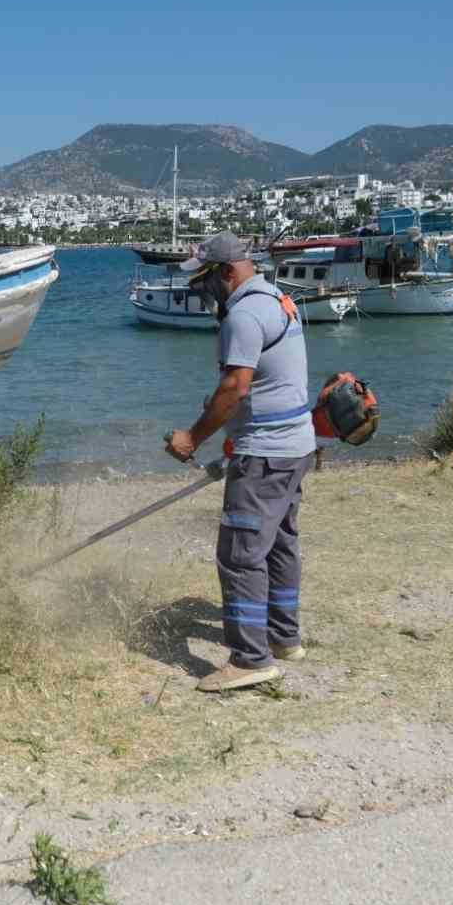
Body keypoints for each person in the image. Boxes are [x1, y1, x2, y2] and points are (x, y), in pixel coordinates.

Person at [164, 232, 316, 692]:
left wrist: (191, 437)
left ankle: (251, 660)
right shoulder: (275, 297)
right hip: (292, 446)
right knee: (278, 544)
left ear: (228, 272)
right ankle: (283, 637)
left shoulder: (245, 314)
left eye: (207, 278)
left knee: (240, 555)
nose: (203, 288)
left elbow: (235, 388)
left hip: (266, 453)